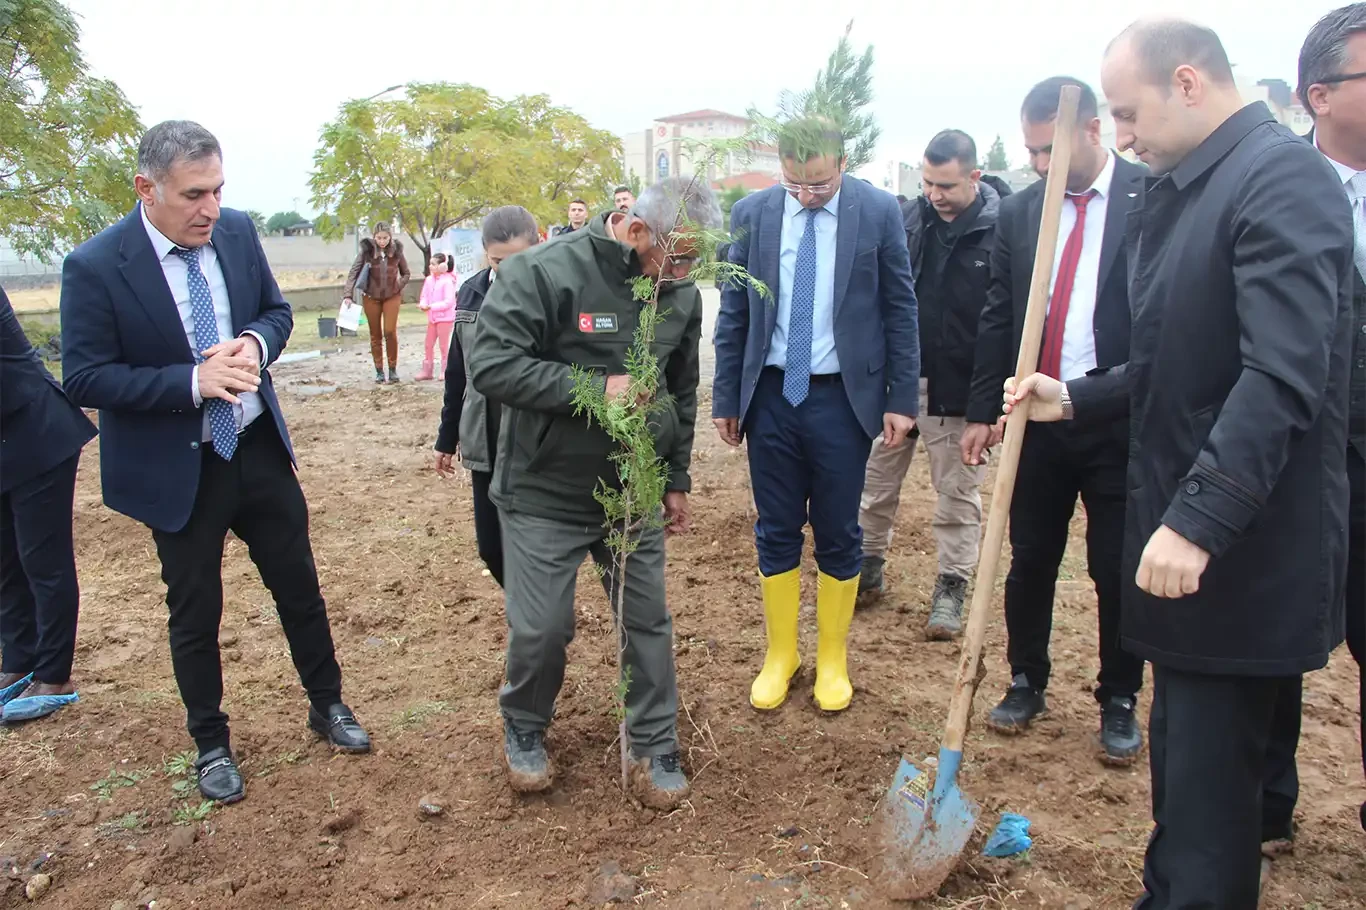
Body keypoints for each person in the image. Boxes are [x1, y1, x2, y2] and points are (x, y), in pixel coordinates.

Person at [1004, 20, 1355, 907]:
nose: (1120, 135)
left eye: (1128, 112)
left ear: (1189, 83)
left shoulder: (1282, 183)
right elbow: (1176, 361)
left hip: (1241, 554)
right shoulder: (1195, 184)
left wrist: (1199, 520)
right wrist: (1077, 397)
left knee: (1206, 790)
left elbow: (1280, 377)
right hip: (1198, 551)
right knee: (1189, 770)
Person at [59, 121, 371, 805]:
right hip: (180, 471)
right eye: (194, 194)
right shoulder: (94, 265)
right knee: (195, 611)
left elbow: (276, 311)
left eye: (218, 189)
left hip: (255, 448)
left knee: (299, 586)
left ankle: (329, 705)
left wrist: (258, 345)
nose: (210, 208)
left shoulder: (234, 233)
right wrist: (187, 383)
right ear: (147, 190)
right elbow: (82, 377)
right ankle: (211, 745)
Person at [468, 177, 709, 808]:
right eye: (678, 257)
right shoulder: (545, 272)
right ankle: (524, 726)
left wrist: (675, 477)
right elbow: (491, 363)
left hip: (633, 488)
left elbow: (681, 390)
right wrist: (595, 386)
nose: (688, 272)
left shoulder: (681, 294)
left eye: (698, 258)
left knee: (647, 620)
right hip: (545, 489)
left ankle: (655, 744)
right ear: (635, 232)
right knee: (543, 628)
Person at [964, 76, 1148, 766]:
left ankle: (1120, 697)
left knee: (1115, 566)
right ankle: (1025, 678)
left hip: (1117, 412)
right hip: (1036, 415)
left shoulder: (1149, 199)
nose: (1038, 164)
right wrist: (986, 409)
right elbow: (998, 314)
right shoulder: (1020, 213)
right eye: (1031, 150)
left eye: (1049, 149)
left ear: (1092, 131)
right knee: (1032, 557)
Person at [713, 119, 920, 713]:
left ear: (843, 162)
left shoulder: (878, 212)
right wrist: (728, 397)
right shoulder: (752, 214)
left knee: (838, 530)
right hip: (772, 396)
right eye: (796, 184)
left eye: (821, 184)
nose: (807, 195)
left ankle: (832, 656)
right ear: (781, 166)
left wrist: (901, 398)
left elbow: (900, 308)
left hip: (841, 400)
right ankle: (782, 654)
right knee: (775, 527)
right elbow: (734, 311)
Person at [1261, 3, 1366, 857]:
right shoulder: (1268, 186)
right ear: (1319, 94)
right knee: (1280, 636)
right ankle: (1267, 805)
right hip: (1292, 459)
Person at [856, 130, 1003, 641]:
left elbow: (1003, 323)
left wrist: (987, 403)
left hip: (959, 389)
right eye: (927, 183)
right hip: (898, 382)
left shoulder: (1000, 231)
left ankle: (952, 585)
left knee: (957, 495)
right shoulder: (908, 219)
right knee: (875, 482)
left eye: (946, 185)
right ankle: (867, 564)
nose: (935, 194)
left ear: (975, 177)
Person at [0, 287, 97, 722]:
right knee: (5, 561)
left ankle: (55, 674)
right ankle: (18, 662)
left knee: (43, 559)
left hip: (36, 432)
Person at [434, 206, 541, 585]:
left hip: (537, 444)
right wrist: (447, 437)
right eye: (498, 261)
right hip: (486, 440)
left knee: (534, 544)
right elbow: (456, 372)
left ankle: (534, 619)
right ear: (484, 252)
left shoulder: (555, 296)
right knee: (491, 548)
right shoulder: (471, 292)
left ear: (538, 245)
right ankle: (529, 609)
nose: (507, 270)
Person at [342, 222, 410, 383]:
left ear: (390, 236)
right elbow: (353, 273)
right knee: (375, 334)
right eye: (378, 238)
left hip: (392, 296)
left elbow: (406, 273)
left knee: (389, 331)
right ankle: (379, 370)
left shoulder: (397, 252)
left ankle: (392, 369)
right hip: (371, 296)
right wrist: (348, 295)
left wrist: (397, 285)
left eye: (385, 238)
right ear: (374, 237)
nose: (382, 241)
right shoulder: (367, 252)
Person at [414, 252, 458, 381]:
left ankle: (446, 370)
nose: (430, 266)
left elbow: (449, 302)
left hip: (445, 318)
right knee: (428, 344)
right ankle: (427, 370)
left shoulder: (448, 281)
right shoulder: (429, 280)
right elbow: (424, 296)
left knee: (444, 346)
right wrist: (423, 305)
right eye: (430, 264)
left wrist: (431, 306)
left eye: (433, 264)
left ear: (443, 266)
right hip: (432, 318)